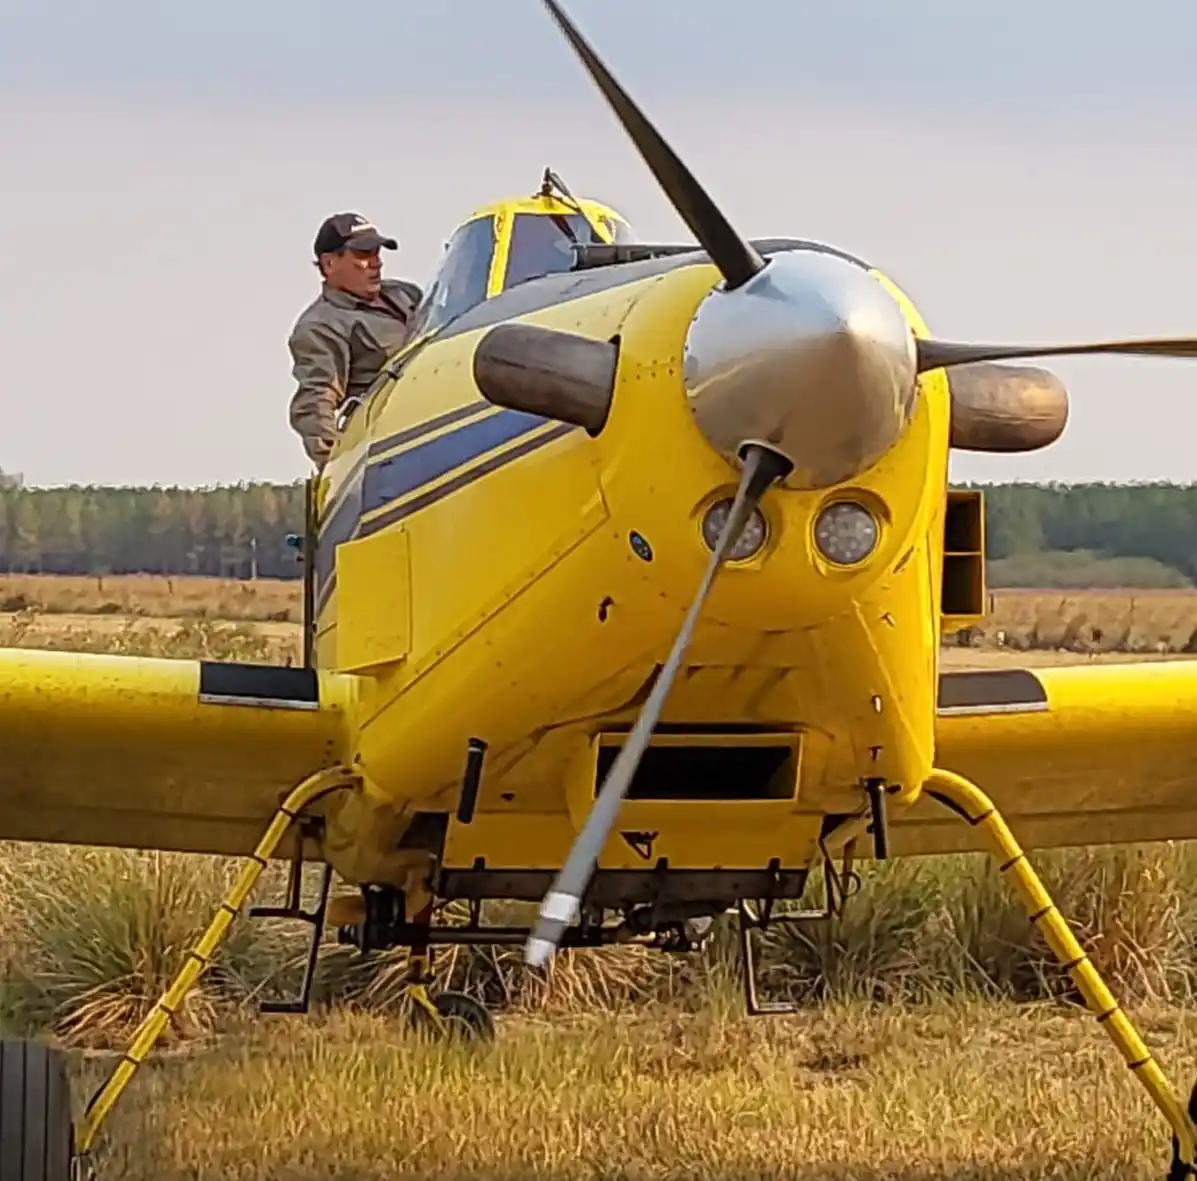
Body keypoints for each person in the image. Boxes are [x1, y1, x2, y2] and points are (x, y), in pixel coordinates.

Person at [288, 212, 424, 467]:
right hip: (399, 445)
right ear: (329, 264)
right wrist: (337, 466)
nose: (376, 263)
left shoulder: (406, 294)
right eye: (363, 255)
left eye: (376, 253)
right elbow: (315, 402)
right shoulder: (321, 326)